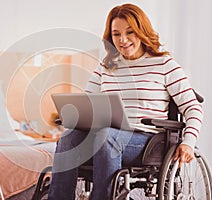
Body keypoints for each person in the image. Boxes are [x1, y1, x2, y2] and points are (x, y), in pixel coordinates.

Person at [48, 3, 203, 200]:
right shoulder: (106, 66)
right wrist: (73, 116)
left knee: (105, 136)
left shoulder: (164, 64)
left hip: (146, 142)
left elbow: (193, 107)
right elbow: (86, 102)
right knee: (69, 138)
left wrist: (189, 142)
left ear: (142, 31)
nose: (123, 40)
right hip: (105, 137)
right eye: (116, 34)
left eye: (130, 32)